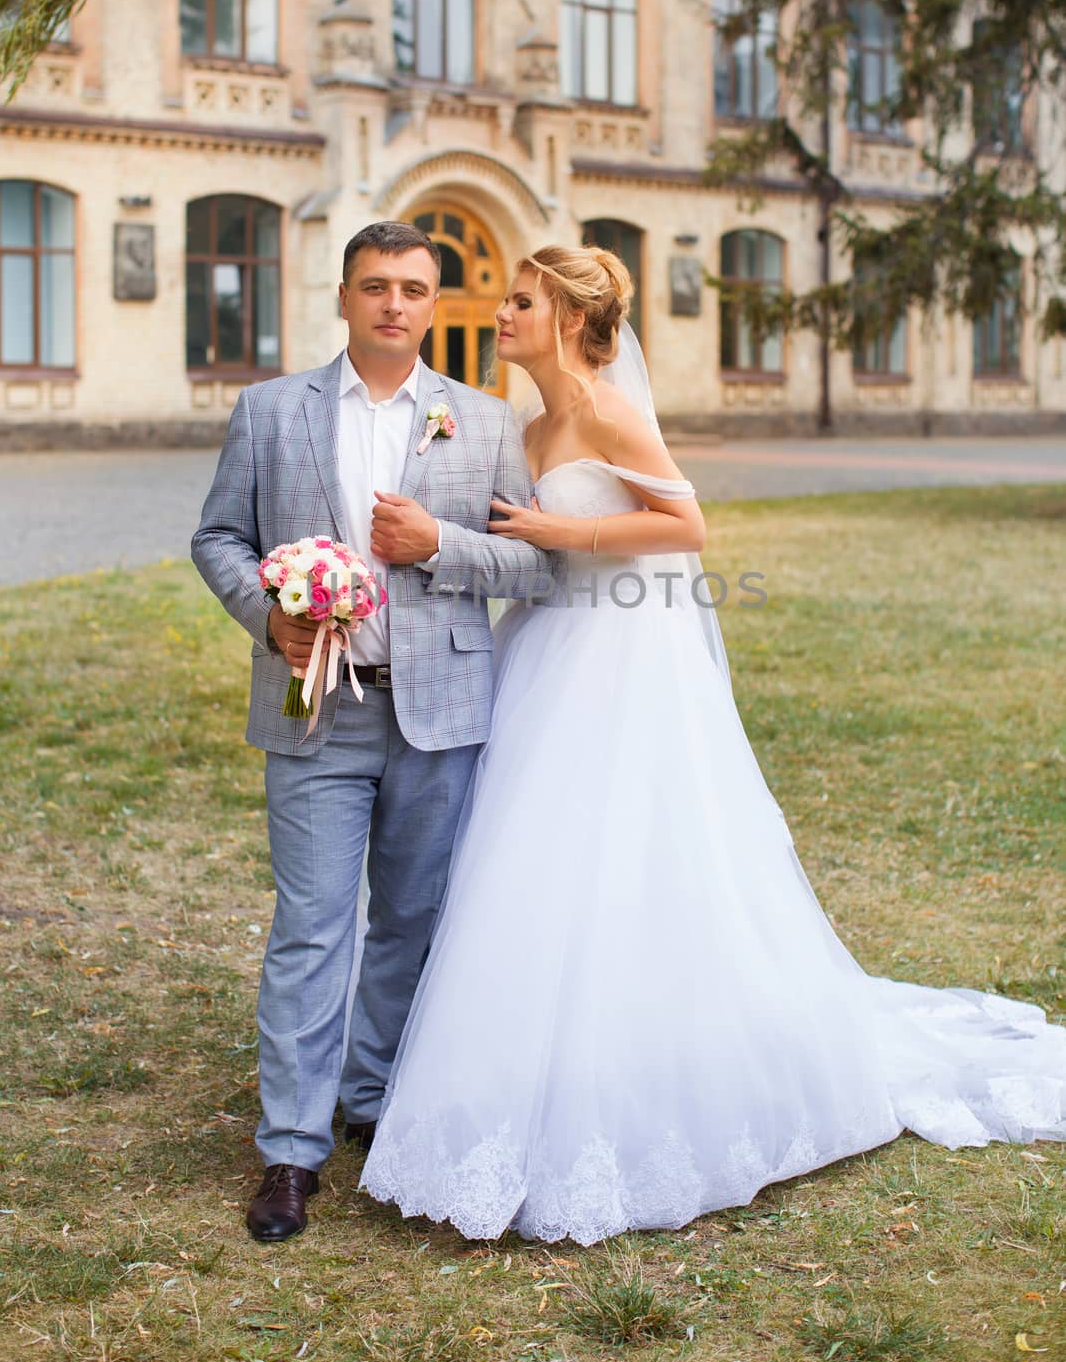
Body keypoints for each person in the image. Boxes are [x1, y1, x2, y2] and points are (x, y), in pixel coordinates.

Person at [359, 242, 1066, 1247]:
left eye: (518, 301)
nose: (499, 312)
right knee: (532, 856)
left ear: (565, 319)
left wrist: (563, 538)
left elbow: (685, 525)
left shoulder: (604, 406)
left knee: (620, 842)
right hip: (546, 643)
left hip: (616, 653)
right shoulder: (529, 421)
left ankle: (652, 1055)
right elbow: (520, 537)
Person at [191, 220, 551, 1242]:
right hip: (315, 706)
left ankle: (371, 1095)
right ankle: (290, 1151)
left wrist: (441, 544)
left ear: (433, 306)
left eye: (411, 288)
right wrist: (266, 613)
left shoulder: (483, 423)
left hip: (439, 711)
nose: (393, 302)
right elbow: (218, 534)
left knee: (409, 918)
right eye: (374, 285)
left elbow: (533, 564)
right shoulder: (269, 412)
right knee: (312, 926)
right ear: (343, 297)